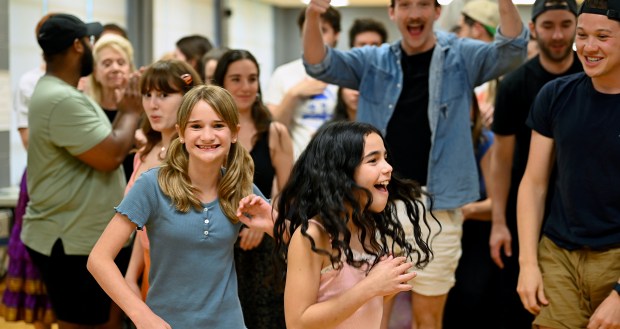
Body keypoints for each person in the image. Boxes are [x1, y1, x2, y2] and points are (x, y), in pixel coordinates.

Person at [302, 0, 527, 328]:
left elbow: (513, 51)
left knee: (428, 319)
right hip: (376, 207)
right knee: (373, 314)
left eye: (423, 4)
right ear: (392, 13)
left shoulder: (461, 55)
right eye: (405, 4)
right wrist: (312, 14)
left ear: (437, 12)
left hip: (438, 208)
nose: (414, 13)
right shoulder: (374, 61)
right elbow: (318, 64)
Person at [87, 85, 275, 328]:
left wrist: (271, 221)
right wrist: (140, 313)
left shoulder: (239, 186)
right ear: (182, 133)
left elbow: (299, 242)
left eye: (218, 125)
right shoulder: (152, 185)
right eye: (196, 126)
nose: (207, 136)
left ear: (234, 132)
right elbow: (98, 259)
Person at [237, 121, 436, 329]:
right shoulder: (313, 235)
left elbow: (360, 306)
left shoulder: (368, 226)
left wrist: (385, 289)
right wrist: (370, 287)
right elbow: (298, 322)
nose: (388, 167)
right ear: (341, 172)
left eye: (384, 158)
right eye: (373, 160)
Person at [22, 13, 142, 329]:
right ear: (78, 46)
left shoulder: (62, 93)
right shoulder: (61, 98)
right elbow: (110, 155)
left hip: (81, 236)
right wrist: (130, 109)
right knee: (82, 323)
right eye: (89, 41)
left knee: (103, 320)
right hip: (69, 240)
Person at [516, 0, 620, 328]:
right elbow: (533, 183)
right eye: (582, 35)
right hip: (559, 252)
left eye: (603, 36)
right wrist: (528, 263)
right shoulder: (555, 95)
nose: (589, 47)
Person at [489, 0, 581, 327]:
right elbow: (500, 160)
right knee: (524, 303)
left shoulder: (591, 75)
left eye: (566, 25)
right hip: (526, 206)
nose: (557, 35)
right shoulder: (514, 85)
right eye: (548, 26)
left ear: (576, 26)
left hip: (579, 209)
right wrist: (498, 220)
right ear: (533, 29)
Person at [212, 49, 294, 329]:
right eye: (236, 79)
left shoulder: (275, 132)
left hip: (261, 244)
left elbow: (288, 191)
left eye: (252, 79)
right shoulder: (209, 130)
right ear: (221, 83)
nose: (246, 87)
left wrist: (263, 222)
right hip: (217, 240)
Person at [122, 59, 203, 302]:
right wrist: (130, 274)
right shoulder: (145, 153)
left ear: (188, 97)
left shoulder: (198, 155)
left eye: (164, 94)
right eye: (147, 95)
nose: (153, 104)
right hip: (150, 269)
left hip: (189, 275)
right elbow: (141, 224)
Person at [0, 15, 55, 329]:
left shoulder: (87, 80)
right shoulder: (30, 81)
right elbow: (28, 140)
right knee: (38, 253)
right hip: (41, 177)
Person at [264, 7, 341, 159]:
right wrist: (293, 94)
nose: (315, 36)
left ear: (336, 35)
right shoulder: (283, 73)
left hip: (339, 163)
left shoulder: (346, 73)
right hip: (296, 164)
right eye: (309, 30)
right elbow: (274, 128)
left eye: (323, 30)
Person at [89, 33, 138, 182]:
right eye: (107, 63)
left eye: (121, 62)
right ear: (96, 73)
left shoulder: (143, 108)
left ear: (129, 68)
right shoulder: (88, 110)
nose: (115, 68)